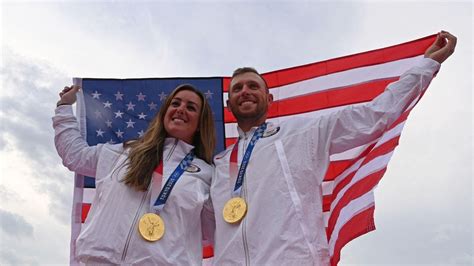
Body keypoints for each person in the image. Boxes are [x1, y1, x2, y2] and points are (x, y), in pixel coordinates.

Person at [211, 31, 457, 265]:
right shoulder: (220, 164)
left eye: (253, 86)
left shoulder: (303, 131)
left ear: (269, 98)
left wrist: (425, 67)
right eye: (238, 88)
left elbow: (373, 116)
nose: (245, 92)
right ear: (228, 104)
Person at [53, 84, 216, 264]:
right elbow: (74, 155)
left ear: (201, 123)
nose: (181, 109)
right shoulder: (121, 154)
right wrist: (64, 107)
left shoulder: (209, 176)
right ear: (164, 113)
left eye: (191, 107)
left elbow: (221, 232)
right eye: (175, 104)